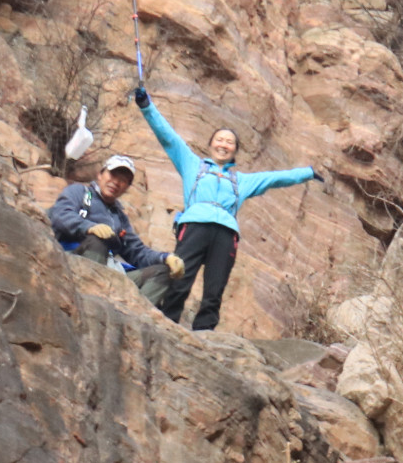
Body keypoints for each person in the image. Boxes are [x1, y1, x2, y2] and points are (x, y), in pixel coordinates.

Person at [133, 86, 319, 331]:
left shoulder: (240, 181)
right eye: (219, 140)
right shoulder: (192, 165)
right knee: (180, 277)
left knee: (215, 287)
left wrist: (308, 173)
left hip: (226, 233)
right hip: (194, 225)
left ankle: (205, 333)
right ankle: (168, 324)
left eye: (229, 142)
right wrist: (146, 106)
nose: (224, 144)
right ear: (210, 145)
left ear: (234, 151)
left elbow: (276, 178)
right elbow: (168, 137)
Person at [47, 155, 185, 293]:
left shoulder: (119, 217)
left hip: (110, 271)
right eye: (113, 175)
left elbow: (137, 251)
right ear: (100, 175)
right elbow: (61, 215)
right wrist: (89, 227)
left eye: (123, 180)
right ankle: (88, 295)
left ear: (127, 187)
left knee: (162, 272)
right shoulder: (81, 193)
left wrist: (165, 258)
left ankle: (135, 313)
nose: (116, 182)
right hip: (74, 262)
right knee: (98, 240)